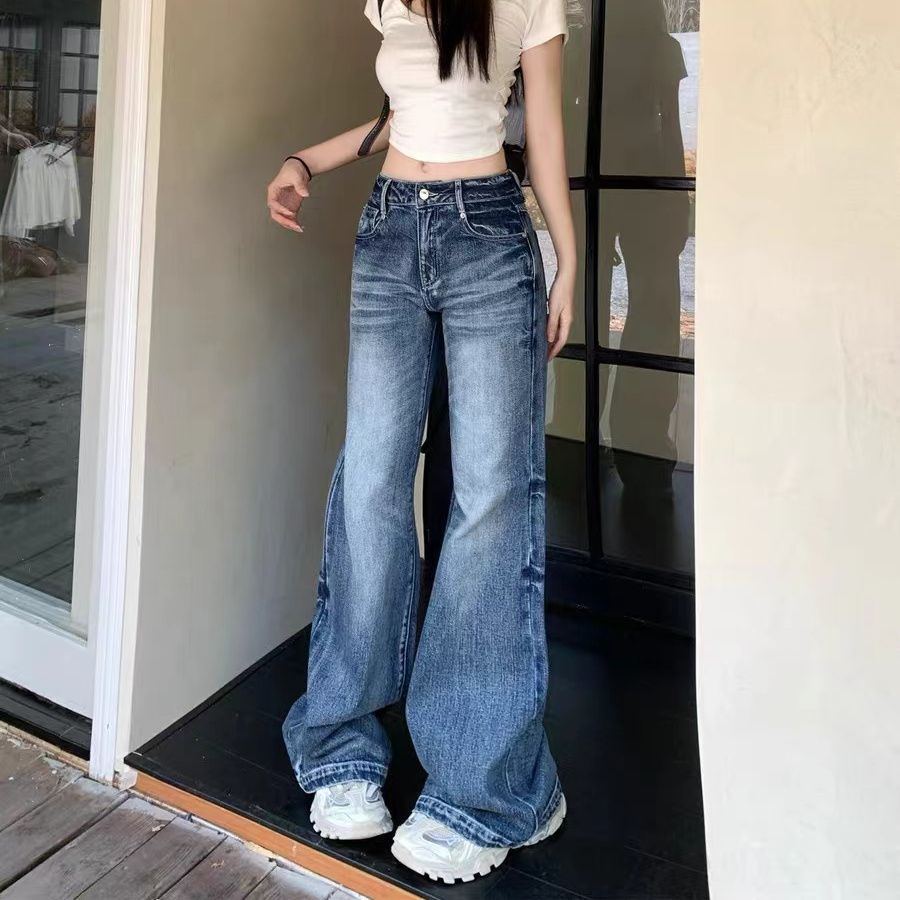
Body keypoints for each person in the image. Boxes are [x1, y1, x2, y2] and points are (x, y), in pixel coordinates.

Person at [266, 0, 576, 884]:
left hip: (489, 234)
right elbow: (407, 111)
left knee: (490, 497)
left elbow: (542, 131)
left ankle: (487, 788)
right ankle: (341, 745)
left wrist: (569, 259)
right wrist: (304, 160)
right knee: (370, 480)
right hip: (389, 231)